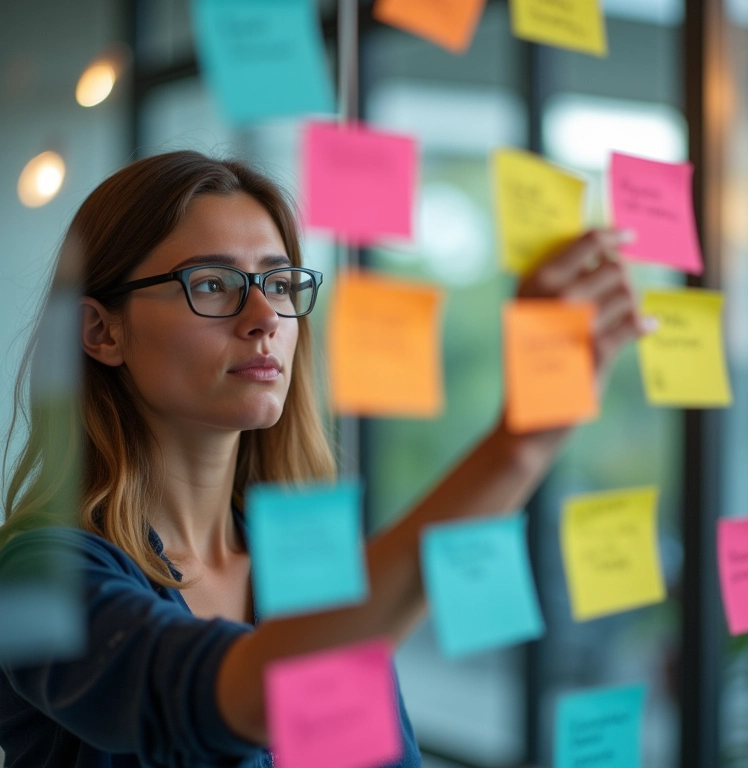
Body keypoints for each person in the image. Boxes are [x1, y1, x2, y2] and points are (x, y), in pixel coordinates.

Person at [0, 151, 645, 767]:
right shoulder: (37, 574)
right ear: (102, 332)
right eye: (213, 284)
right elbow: (240, 701)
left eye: (280, 283)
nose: (264, 317)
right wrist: (521, 440)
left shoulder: (305, 567)